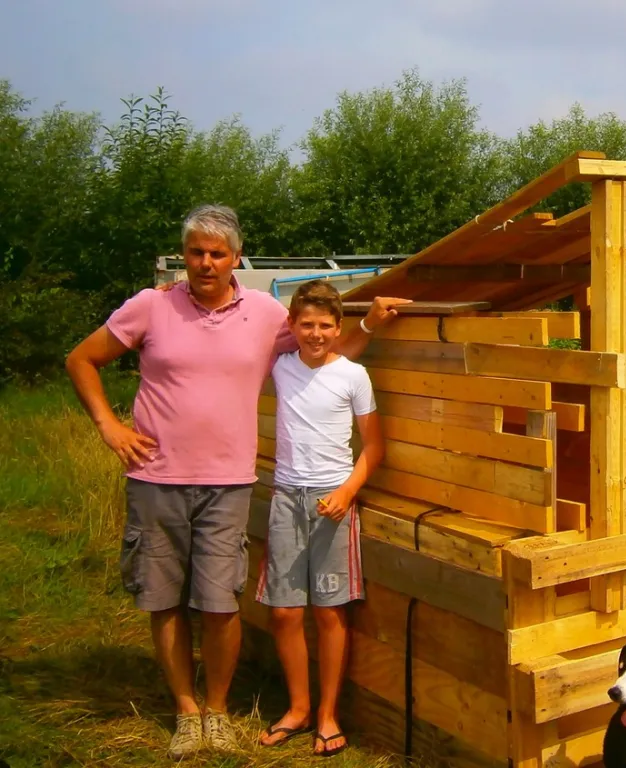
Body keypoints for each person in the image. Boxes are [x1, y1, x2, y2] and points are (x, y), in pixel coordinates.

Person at [64, 204, 408, 760]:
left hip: (228, 483)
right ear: (185, 256)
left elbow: (323, 351)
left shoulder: (267, 315)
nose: (205, 262)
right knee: (164, 600)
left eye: (217, 254)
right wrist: (109, 425)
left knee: (221, 603)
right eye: (196, 252)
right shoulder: (151, 307)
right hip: (157, 477)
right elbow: (81, 359)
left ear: (235, 260)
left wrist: (368, 324)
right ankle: (185, 710)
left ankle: (218, 711)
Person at [256, 279, 383, 756]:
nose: (315, 333)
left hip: (334, 503)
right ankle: (298, 707)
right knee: (285, 612)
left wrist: (348, 492)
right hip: (287, 498)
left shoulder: (353, 375)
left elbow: (374, 446)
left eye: (325, 325)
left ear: (338, 328)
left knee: (330, 612)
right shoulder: (281, 367)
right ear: (291, 326)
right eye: (305, 324)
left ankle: (328, 714)